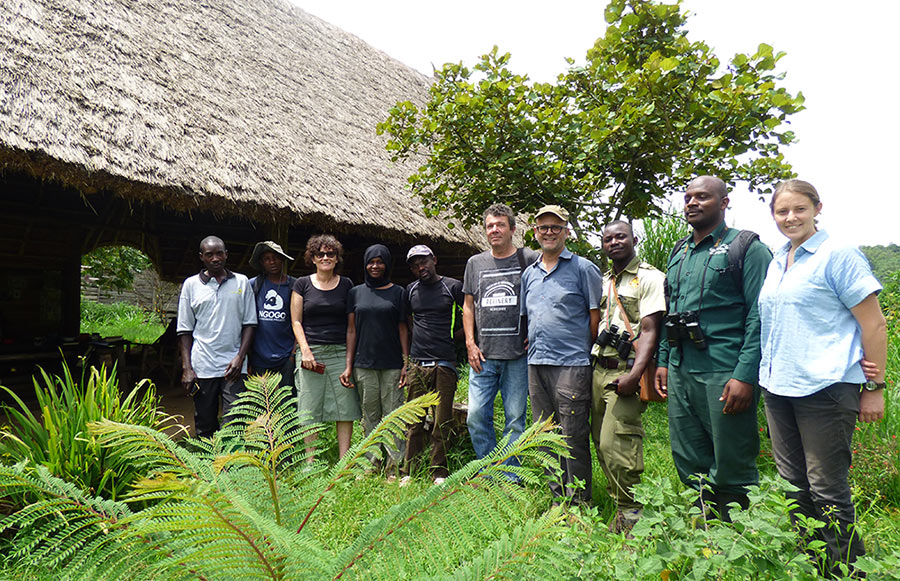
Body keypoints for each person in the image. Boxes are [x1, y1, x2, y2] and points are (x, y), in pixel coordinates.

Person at [758, 179, 887, 575]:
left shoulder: (838, 254)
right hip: (779, 388)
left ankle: (848, 570)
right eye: (782, 211)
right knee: (793, 487)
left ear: (817, 208)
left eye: (799, 209)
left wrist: (874, 388)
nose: (790, 217)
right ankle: (814, 564)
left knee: (827, 489)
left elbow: (875, 324)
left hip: (826, 388)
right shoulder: (779, 258)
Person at [655, 175, 772, 520]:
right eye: (688, 197)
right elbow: (670, 309)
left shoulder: (747, 248)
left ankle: (736, 533)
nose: (691, 203)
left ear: (723, 203)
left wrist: (745, 375)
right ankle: (704, 529)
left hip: (724, 370)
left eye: (702, 197)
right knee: (688, 454)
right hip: (680, 368)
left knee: (732, 457)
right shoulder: (679, 251)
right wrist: (663, 361)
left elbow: (759, 316)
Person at [521, 205, 603, 505]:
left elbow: (595, 316)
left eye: (556, 227)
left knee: (572, 436)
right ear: (535, 232)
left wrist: (585, 350)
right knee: (545, 437)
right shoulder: (529, 274)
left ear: (566, 231)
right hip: (536, 363)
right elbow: (528, 318)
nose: (549, 233)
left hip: (572, 364)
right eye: (543, 228)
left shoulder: (583, 268)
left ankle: (580, 503)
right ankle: (557, 501)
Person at [591, 220, 665, 533]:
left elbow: (650, 330)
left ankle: (631, 512)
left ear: (634, 239)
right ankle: (620, 505)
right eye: (608, 239)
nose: (614, 242)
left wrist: (635, 376)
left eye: (620, 237)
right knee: (599, 441)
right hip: (598, 369)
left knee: (615, 442)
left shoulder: (649, 278)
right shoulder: (602, 280)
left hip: (627, 371)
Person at [462, 204, 538, 471]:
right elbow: (468, 306)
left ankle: (509, 475)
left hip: (517, 355)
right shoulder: (475, 263)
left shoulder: (528, 259)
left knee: (515, 419)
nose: (494, 230)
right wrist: (470, 344)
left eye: (500, 225)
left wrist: (536, 334)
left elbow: (543, 296)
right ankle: (486, 468)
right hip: (483, 356)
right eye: (490, 226)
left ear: (513, 229)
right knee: (475, 415)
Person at [177, 236, 256, 438]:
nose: (215, 258)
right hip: (203, 365)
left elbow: (249, 323)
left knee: (236, 422)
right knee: (205, 423)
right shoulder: (191, 285)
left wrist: (240, 358)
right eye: (209, 254)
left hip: (234, 366)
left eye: (219, 253)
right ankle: (207, 465)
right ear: (202, 257)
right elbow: (184, 330)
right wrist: (187, 368)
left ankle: (231, 465)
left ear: (226, 254)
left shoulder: (241, 282)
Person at [340, 244, 410, 476]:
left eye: (380, 262)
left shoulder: (398, 292)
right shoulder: (355, 293)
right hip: (364, 364)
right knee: (370, 418)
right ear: (365, 264)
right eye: (371, 262)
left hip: (391, 364)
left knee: (393, 416)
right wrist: (349, 365)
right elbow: (351, 331)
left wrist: (405, 362)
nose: (375, 266)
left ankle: (394, 468)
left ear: (387, 264)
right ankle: (370, 465)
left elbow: (403, 328)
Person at [401, 244, 464, 485]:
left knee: (441, 421)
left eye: (424, 261)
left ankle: (439, 471)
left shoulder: (452, 287)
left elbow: (470, 313)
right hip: (418, 363)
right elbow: (407, 322)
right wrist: (407, 361)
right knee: (414, 420)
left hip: (444, 362)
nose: (420, 267)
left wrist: (455, 338)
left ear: (434, 260)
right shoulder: (411, 290)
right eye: (415, 264)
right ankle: (409, 470)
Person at [291, 234, 359, 459]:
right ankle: (310, 460)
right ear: (312, 258)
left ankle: (344, 460)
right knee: (308, 408)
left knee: (345, 407)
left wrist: (349, 362)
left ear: (337, 258)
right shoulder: (301, 284)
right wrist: (306, 350)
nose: (325, 258)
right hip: (311, 353)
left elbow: (351, 327)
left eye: (330, 254)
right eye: (320, 254)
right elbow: (296, 321)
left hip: (339, 351)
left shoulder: (347, 284)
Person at [248, 241, 296, 392]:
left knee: (288, 403)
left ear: (282, 259)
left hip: (286, 357)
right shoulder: (254, 285)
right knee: (262, 404)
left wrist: (293, 355)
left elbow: (300, 321)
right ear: (262, 263)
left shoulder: (294, 285)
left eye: (275, 257)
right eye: (267, 259)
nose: (272, 261)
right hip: (259, 358)